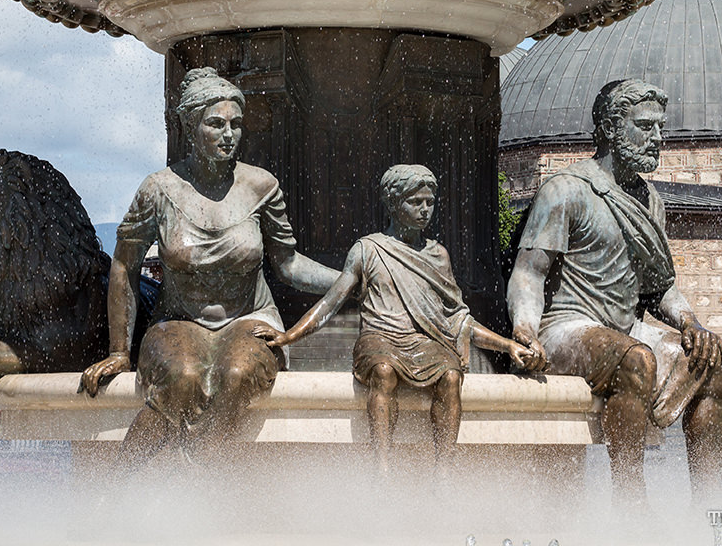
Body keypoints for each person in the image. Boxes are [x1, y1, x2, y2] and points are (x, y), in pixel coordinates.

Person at [80, 67, 339, 462]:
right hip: (179, 319)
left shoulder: (261, 186)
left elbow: (287, 265)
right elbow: (124, 265)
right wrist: (120, 351)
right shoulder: (158, 189)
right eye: (215, 123)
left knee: (235, 375)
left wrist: (350, 279)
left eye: (236, 124)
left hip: (250, 318)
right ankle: (122, 485)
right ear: (189, 126)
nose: (229, 134)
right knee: (182, 377)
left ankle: (192, 481)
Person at [506, 78, 722, 509]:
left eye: (661, 128)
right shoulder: (566, 190)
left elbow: (661, 286)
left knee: (718, 363)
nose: (658, 138)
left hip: (626, 329)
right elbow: (529, 273)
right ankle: (630, 499)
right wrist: (525, 329)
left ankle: (710, 504)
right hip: (566, 329)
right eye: (645, 126)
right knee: (635, 359)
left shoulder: (650, 201)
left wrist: (690, 322)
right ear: (611, 128)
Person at [256, 164, 546, 472]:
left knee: (450, 376)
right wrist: (289, 336)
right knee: (383, 372)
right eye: (415, 202)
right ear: (394, 204)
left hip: (423, 343)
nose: (425, 210)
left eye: (430, 202)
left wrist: (507, 345)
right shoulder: (368, 249)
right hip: (379, 339)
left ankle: (443, 471)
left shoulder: (438, 255)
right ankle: (382, 467)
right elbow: (331, 302)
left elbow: (458, 319)